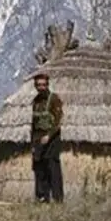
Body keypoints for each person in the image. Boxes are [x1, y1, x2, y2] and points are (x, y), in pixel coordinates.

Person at [31, 72, 64, 203]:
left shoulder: (54, 99)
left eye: (44, 85)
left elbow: (58, 121)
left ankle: (57, 199)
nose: (41, 87)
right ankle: (43, 198)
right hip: (38, 139)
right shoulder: (35, 102)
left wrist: (49, 135)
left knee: (52, 167)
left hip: (52, 139)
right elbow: (33, 124)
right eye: (39, 85)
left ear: (47, 85)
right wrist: (33, 144)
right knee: (39, 168)